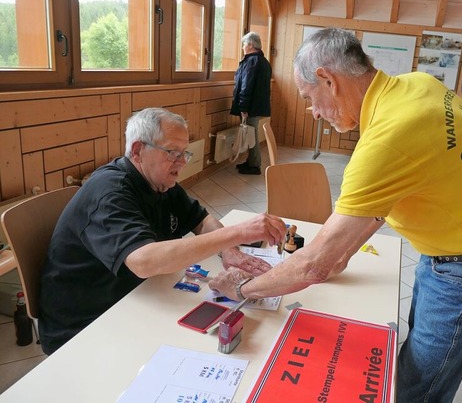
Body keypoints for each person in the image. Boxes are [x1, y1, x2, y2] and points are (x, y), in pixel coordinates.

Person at [208, 28, 462, 402]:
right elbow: (391, 195)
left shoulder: (387, 139)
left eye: (311, 98)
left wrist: (242, 288)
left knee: (416, 389)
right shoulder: (419, 84)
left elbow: (314, 266)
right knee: (413, 356)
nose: (314, 112)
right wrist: (340, 249)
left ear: (328, 79)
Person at [38, 107, 286, 355]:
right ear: (137, 151)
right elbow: (143, 261)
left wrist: (229, 251)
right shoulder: (109, 192)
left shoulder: (159, 181)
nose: (181, 163)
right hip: (84, 323)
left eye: (184, 154)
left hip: (136, 296)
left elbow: (200, 219)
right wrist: (238, 233)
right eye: (172, 153)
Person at [231, 31, 272, 175]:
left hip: (250, 107)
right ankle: (251, 161)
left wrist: (243, 107)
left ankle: (254, 165)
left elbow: (246, 86)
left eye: (244, 44)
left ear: (250, 45)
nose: (243, 47)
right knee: (251, 133)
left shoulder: (251, 61)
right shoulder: (264, 62)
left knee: (251, 134)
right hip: (257, 106)